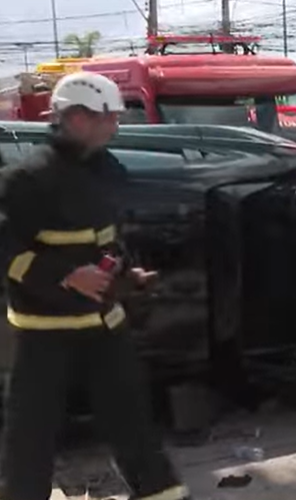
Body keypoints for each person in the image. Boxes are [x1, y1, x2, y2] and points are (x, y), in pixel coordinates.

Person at [0, 72, 189, 500]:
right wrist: (66, 275)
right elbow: (6, 251)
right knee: (30, 436)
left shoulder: (108, 169)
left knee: (133, 424)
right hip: (43, 333)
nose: (116, 126)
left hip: (105, 323)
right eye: (110, 117)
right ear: (79, 118)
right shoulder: (26, 179)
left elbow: (111, 240)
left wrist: (127, 275)